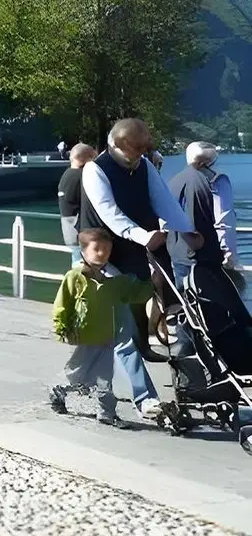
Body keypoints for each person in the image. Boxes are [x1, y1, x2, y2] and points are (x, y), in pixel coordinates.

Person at [81, 117, 203, 425]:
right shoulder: (95, 170)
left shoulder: (144, 166)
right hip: (103, 257)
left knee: (122, 333)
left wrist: (186, 230)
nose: (144, 151)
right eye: (138, 147)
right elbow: (109, 213)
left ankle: (80, 383)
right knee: (123, 332)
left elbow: (163, 200)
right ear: (119, 145)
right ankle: (145, 399)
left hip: (134, 254)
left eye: (145, 146)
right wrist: (141, 235)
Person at [49, 227, 155, 427]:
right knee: (78, 375)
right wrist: (62, 328)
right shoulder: (74, 278)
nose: (102, 254)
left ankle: (106, 413)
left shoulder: (114, 283)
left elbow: (135, 294)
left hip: (106, 338)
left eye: (106, 250)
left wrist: (154, 284)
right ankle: (58, 389)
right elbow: (61, 304)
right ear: (83, 252)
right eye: (97, 249)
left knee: (105, 378)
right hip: (83, 337)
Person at [169, 141, 243, 291]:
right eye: (215, 161)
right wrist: (228, 254)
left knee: (188, 305)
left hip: (177, 256)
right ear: (204, 163)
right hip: (207, 257)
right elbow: (223, 219)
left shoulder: (174, 181)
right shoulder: (216, 180)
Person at [57, 143, 97, 263]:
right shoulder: (83, 176)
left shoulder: (66, 175)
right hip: (81, 232)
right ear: (87, 159)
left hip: (69, 232)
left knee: (77, 268)